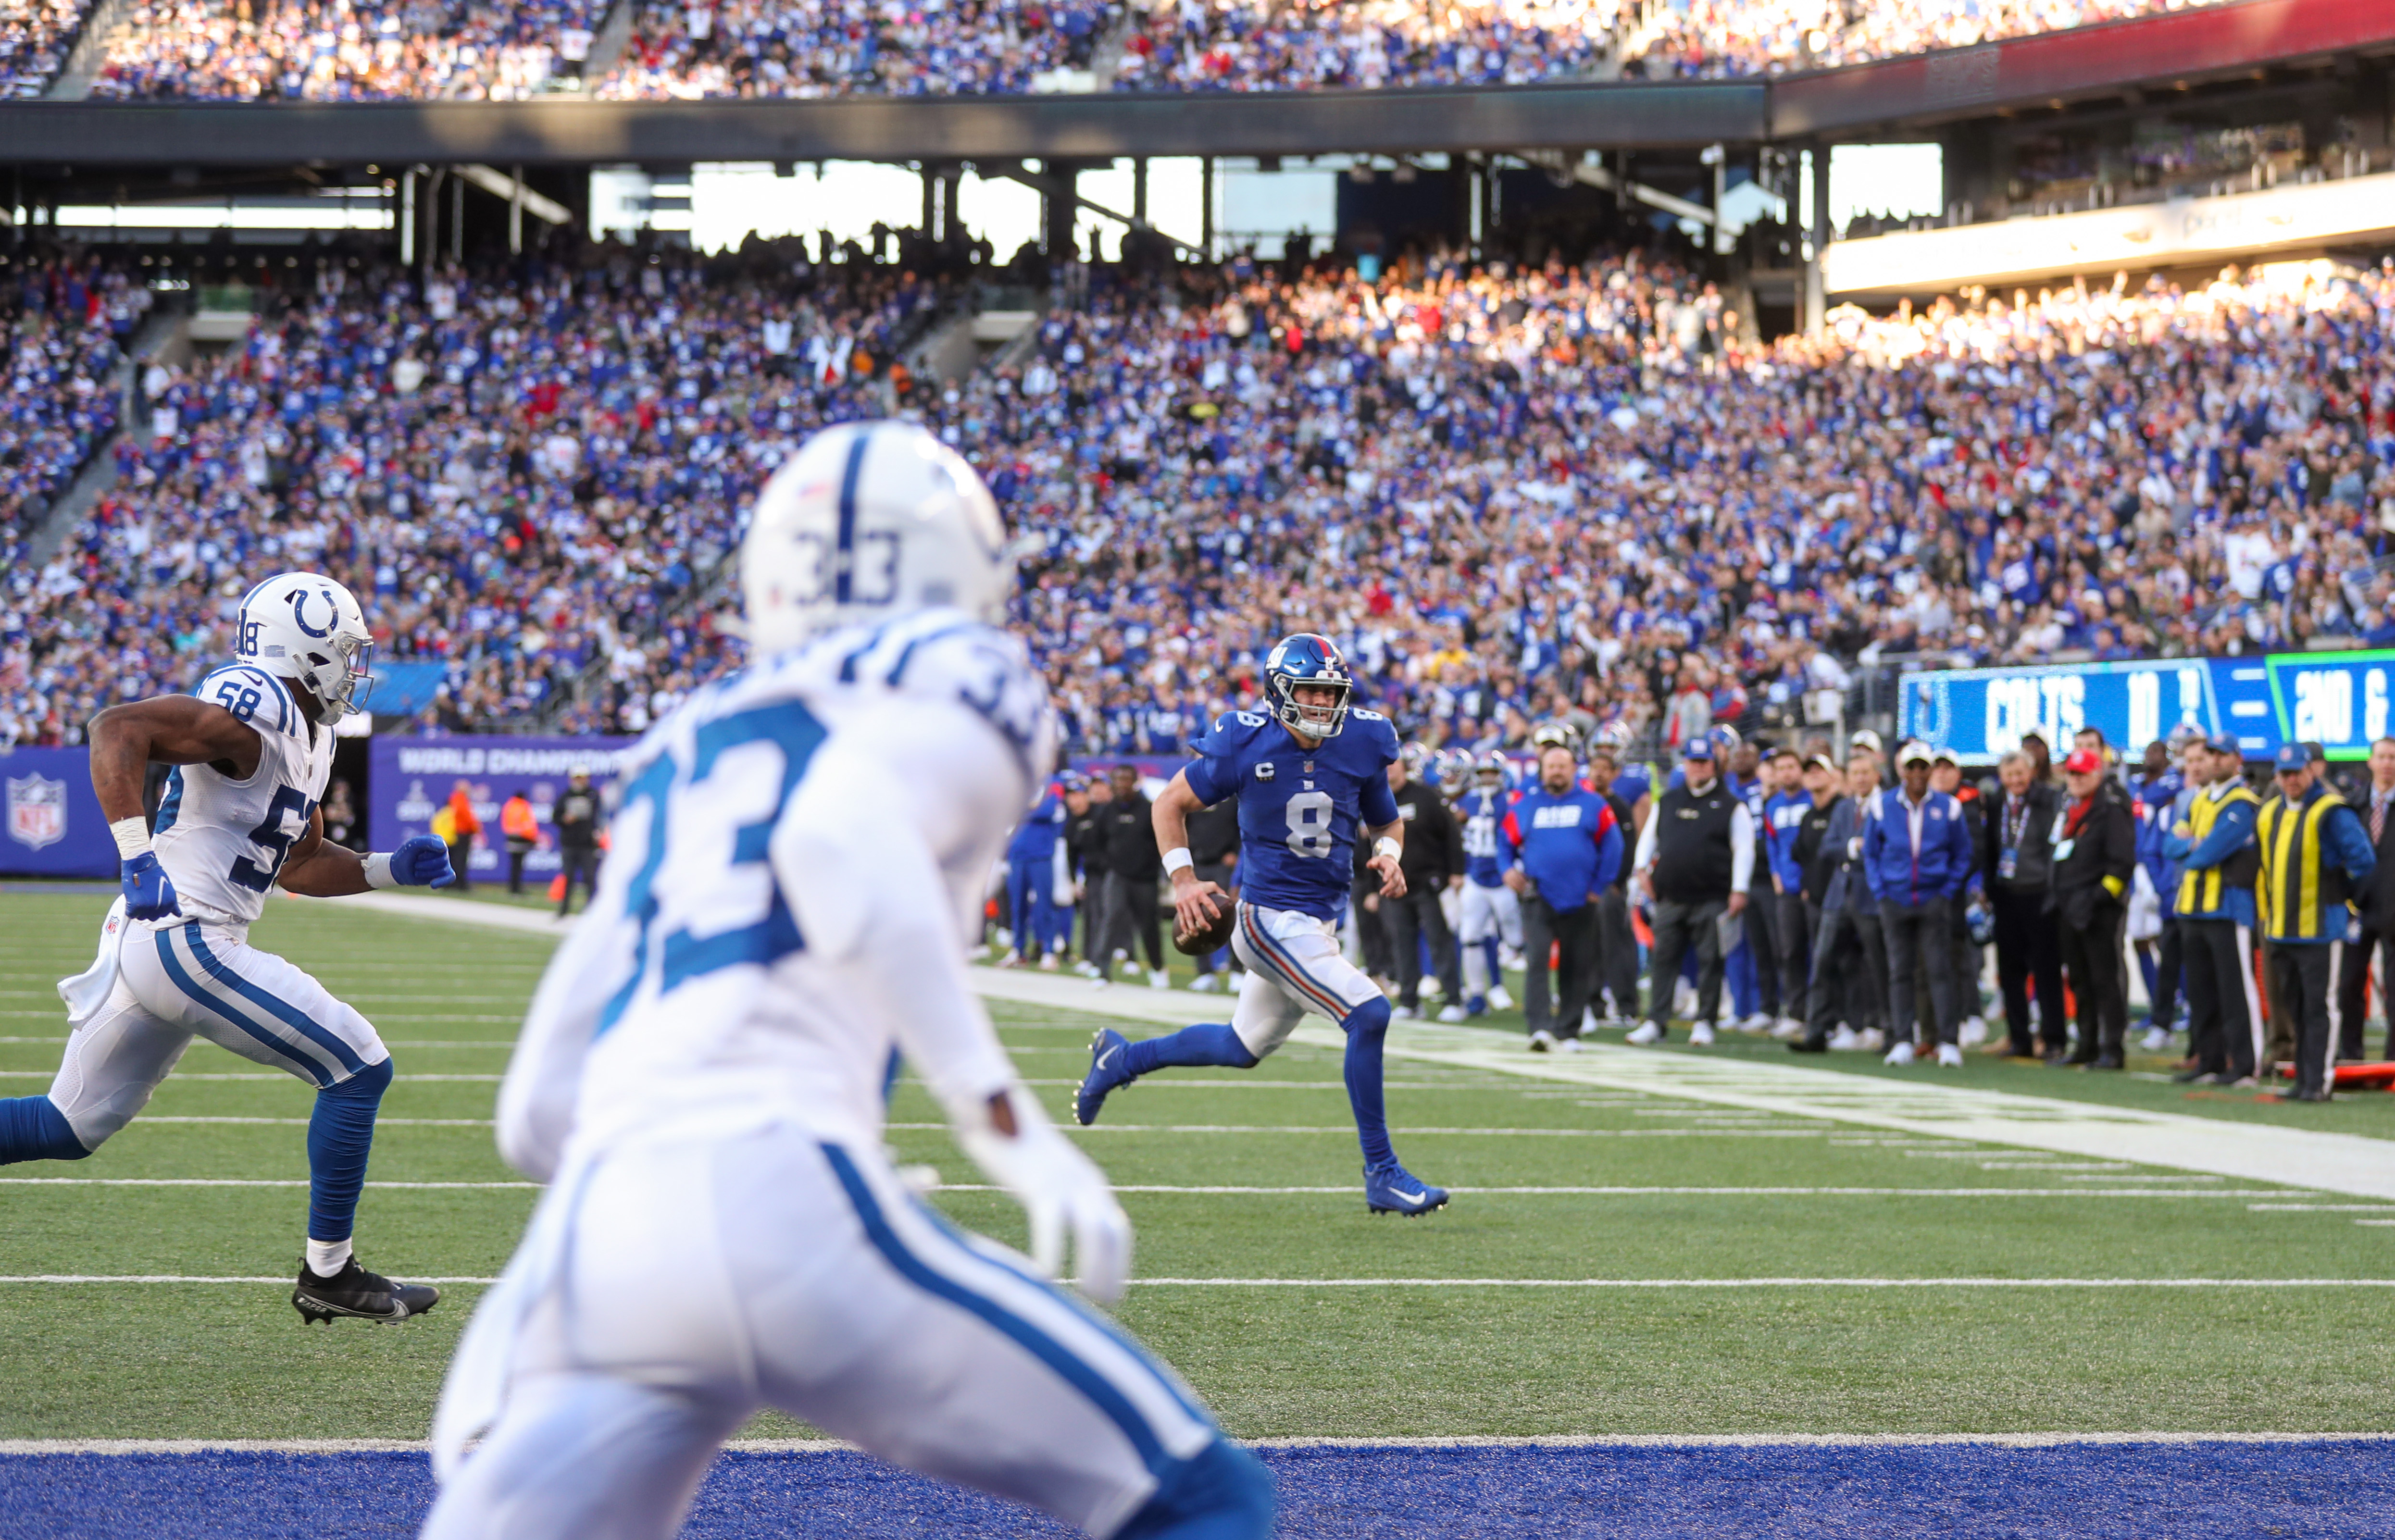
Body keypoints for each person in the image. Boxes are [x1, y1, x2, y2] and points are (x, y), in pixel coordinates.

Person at [423, 421, 1273, 1540]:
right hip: (783, 1191)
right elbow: (834, 839)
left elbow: (534, 1112)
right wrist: (1002, 1120)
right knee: (1201, 1494)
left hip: (601, 1238)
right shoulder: (960, 679)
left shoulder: (686, 744)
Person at [0, 571, 455, 1322]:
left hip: (168, 938)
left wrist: (385, 868)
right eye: (344, 651)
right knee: (358, 1065)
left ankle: (331, 1275)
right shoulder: (260, 704)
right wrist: (135, 853)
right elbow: (119, 728)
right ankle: (330, 1274)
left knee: (67, 1127)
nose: (356, 667)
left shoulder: (311, 731)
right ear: (301, 649)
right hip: (186, 932)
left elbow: (301, 862)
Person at [1073, 633, 1449, 1218]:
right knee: (1369, 1012)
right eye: (1311, 693)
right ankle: (1381, 1171)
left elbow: (1386, 823)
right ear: (1279, 692)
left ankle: (1120, 1060)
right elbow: (1167, 804)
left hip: (1319, 924)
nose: (1323, 705)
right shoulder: (1244, 742)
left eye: (1331, 694)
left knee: (1239, 1045)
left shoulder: (1363, 740)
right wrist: (1183, 881)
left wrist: (1390, 857)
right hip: (1267, 919)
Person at [2254, 742, 2377, 1102]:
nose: (2291, 780)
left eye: (2297, 772)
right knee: (2295, 1007)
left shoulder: (2331, 811)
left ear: (2312, 771)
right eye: (2285, 773)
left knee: (2319, 1007)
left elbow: (2363, 860)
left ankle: (2318, 1082)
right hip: (2281, 929)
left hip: (2320, 929)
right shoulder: (2269, 812)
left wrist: (2340, 887)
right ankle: (2302, 1078)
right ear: (2277, 775)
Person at [1627, 735, 1753, 1047]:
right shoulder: (1668, 800)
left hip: (1712, 896)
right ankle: (1656, 1021)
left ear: (1714, 765)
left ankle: (1705, 1021)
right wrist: (1641, 868)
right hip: (1670, 895)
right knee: (1663, 960)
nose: (1698, 768)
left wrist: (1739, 888)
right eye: (1693, 762)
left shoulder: (1730, 805)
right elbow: (1650, 837)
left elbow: (1744, 848)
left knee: (1711, 960)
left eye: (1703, 762)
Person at [1499, 743, 1624, 1051]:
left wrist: (1599, 887)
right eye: (1551, 766)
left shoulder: (1593, 803)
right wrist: (1506, 870)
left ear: (1573, 769)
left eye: (1562, 766)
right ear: (1542, 771)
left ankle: (1569, 1031)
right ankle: (1540, 1028)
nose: (1556, 771)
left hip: (1582, 896)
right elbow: (1505, 842)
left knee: (1577, 964)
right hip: (1539, 894)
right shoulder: (1526, 804)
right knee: (1538, 960)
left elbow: (1613, 846)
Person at [1861, 742, 1975, 1068]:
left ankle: (1948, 1041)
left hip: (1932, 899)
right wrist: (1880, 890)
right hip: (1895, 899)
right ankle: (1901, 1040)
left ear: (1930, 770)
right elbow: (1870, 852)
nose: (1916, 774)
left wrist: (1947, 890)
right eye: (1911, 767)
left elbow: (1963, 854)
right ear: (1901, 770)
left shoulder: (1949, 807)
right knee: (1899, 972)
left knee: (1940, 970)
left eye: (1922, 767)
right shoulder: (1882, 806)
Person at [2164, 734, 2262, 1086]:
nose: (2215, 761)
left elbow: (2211, 852)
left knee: (2235, 991)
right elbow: (2170, 844)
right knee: (2201, 992)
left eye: (2223, 756)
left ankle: (2246, 1065)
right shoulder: (2200, 799)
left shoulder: (2243, 803)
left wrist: (2191, 846)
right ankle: (2210, 1061)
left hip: (2228, 909)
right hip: (2192, 907)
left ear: (2238, 759)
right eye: (2212, 755)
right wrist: (2193, 844)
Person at [2050, 747, 2139, 1068]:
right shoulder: (2069, 808)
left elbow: (2122, 865)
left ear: (2097, 774)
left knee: (2105, 980)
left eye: (2081, 774)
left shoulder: (2111, 809)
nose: (2074, 779)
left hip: (2098, 912)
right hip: (2069, 909)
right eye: (2071, 773)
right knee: (2079, 981)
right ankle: (2086, 1044)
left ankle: (2112, 1048)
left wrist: (2098, 899)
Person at [1793, 757, 1887, 1052]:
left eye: (1865, 772)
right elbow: (1827, 848)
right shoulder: (1845, 807)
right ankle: (1817, 1029)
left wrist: (1860, 849)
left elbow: (1888, 847)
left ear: (1876, 775)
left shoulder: (1888, 806)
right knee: (1823, 961)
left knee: (1878, 964)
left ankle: (1887, 1028)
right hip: (1839, 894)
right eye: (1855, 773)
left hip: (1872, 894)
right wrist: (1853, 847)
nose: (1860, 778)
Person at [1982, 749, 2064, 1059]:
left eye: (2020, 774)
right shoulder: (1995, 801)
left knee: (2046, 971)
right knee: (2010, 972)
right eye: (2009, 776)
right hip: (2006, 895)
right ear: (2001, 778)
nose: (2015, 781)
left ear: (2031, 772)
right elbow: (1991, 847)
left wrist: (2052, 890)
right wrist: (1990, 889)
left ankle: (2053, 1038)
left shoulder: (2049, 799)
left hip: (2040, 894)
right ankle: (2020, 1038)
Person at [1384, 744, 1466, 1022]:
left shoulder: (1427, 796)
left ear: (1404, 767)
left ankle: (1454, 999)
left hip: (1429, 883)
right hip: (1394, 885)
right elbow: (1368, 845)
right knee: (1402, 945)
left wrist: (1456, 872)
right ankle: (1410, 1001)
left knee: (1439, 942)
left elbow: (1452, 834)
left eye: (1393, 764)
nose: (1389, 769)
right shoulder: (1376, 801)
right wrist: (1372, 886)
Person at [2335, 735, 2395, 1062]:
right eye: (2382, 757)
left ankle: (2393, 1060)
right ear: (2370, 762)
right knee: (2348, 985)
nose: (2388, 764)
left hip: (2394, 911)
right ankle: (2351, 1053)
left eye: (2393, 757)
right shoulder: (2351, 806)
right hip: (2357, 910)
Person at [1453, 751, 1522, 1018]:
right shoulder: (1468, 801)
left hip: (1503, 878)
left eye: (1492, 774)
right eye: (1483, 774)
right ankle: (1477, 994)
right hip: (1476, 877)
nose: (1488, 779)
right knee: (1470, 937)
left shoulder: (1510, 802)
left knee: (1515, 940)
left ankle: (1503, 987)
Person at [1092, 765, 1168, 989]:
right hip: (1118, 875)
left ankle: (1157, 968)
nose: (1122, 785)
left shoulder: (1148, 809)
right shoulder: (1107, 811)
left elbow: (1160, 841)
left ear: (1135, 782)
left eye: (1126, 780)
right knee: (1112, 917)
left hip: (1145, 878)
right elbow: (1097, 841)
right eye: (1118, 780)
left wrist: (1156, 869)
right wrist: (1108, 864)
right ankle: (1102, 970)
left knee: (1148, 925)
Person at [1583, 746, 1642, 1025]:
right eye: (1595, 768)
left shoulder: (1618, 806)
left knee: (1617, 945)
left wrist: (1618, 882)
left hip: (1609, 887)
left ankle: (1626, 1004)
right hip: (1586, 887)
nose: (1598, 773)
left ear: (1614, 774)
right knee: (1589, 946)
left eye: (1604, 769)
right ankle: (1594, 1003)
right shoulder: (1583, 803)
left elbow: (1627, 848)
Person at [1758, 745, 1813, 1039]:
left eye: (1792, 767)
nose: (1787, 773)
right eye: (1781, 769)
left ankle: (1820, 1012)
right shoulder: (1773, 805)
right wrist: (1777, 876)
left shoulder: (1812, 800)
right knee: (1789, 952)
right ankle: (1795, 1011)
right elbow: (1772, 844)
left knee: (1821, 953)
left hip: (1812, 889)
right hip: (1786, 890)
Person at [998, 776, 1069, 969]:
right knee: (1017, 905)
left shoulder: (1051, 785)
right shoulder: (1019, 784)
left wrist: (1022, 809)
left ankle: (1048, 951)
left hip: (1041, 855)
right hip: (1018, 855)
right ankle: (1017, 949)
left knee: (1045, 905)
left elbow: (1047, 812)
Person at [1182, 779, 1242, 992]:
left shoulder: (1232, 798)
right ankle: (1205, 973)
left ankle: (1237, 969)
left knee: (1230, 916)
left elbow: (1243, 826)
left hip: (1223, 866)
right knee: (1196, 918)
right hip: (1197, 864)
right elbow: (1182, 826)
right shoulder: (1191, 797)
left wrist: (1235, 852)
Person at [552, 766, 601, 919]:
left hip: (588, 844)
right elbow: (556, 818)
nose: (581, 781)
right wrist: (565, 820)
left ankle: (592, 910)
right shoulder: (566, 796)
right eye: (578, 778)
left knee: (590, 877)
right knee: (569, 877)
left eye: (583, 777)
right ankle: (564, 909)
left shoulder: (593, 795)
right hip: (570, 843)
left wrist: (598, 833)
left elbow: (600, 816)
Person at [500, 787, 542, 895]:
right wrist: (534, 839)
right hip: (522, 840)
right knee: (519, 866)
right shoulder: (523, 807)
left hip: (510, 839)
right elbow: (528, 825)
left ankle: (512, 887)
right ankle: (517, 888)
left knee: (513, 865)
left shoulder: (509, 806)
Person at [443, 779, 481, 892]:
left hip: (459, 833)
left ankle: (454, 882)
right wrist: (475, 828)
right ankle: (458, 883)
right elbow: (466, 817)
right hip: (462, 833)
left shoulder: (457, 799)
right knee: (460, 859)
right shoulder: (459, 799)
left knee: (456, 859)